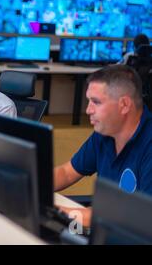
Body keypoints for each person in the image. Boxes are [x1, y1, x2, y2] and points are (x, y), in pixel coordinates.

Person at [54, 65, 152, 227]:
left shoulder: (148, 144)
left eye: (96, 102)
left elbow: (143, 217)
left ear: (124, 105)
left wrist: (59, 212)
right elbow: (67, 172)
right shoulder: (106, 132)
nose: (88, 110)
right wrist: (33, 188)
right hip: (104, 227)